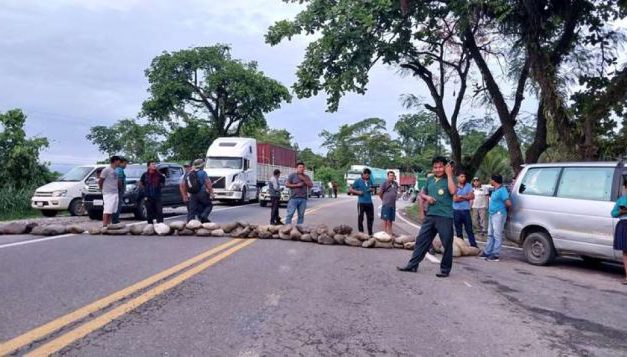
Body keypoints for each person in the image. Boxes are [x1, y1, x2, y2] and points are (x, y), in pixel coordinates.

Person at [397, 156, 456, 278]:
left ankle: (445, 270)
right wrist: (426, 199)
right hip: (430, 215)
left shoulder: (450, 179)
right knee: (421, 241)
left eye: (440, 167)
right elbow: (421, 194)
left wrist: (449, 175)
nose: (438, 169)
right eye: (435, 167)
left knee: (447, 244)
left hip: (445, 216)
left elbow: (453, 192)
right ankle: (412, 265)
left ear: (445, 167)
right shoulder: (429, 180)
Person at [481, 175, 512, 261]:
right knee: (490, 234)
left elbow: (508, 203)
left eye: (491, 179)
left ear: (494, 181)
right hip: (492, 214)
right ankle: (487, 252)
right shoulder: (495, 190)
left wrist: (502, 210)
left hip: (498, 214)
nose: (490, 181)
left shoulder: (502, 190)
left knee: (497, 234)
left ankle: (495, 254)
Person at [453, 171, 477, 247]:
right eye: (461, 177)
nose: (463, 178)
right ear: (457, 178)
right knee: (458, 230)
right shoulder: (454, 186)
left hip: (466, 210)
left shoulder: (468, 185)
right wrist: (466, 197)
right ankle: (461, 245)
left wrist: (461, 196)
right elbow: (455, 199)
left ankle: (473, 245)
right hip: (456, 211)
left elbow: (472, 197)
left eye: (464, 177)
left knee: (469, 229)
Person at [349, 168, 375, 236]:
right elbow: (350, 189)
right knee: (361, 218)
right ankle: (361, 233)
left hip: (369, 202)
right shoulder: (358, 181)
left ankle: (370, 233)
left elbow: (372, 188)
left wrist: (371, 189)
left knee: (370, 218)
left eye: (368, 175)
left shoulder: (370, 181)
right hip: (361, 203)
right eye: (366, 175)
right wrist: (358, 192)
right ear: (362, 174)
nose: (367, 176)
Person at [611, 179, 627, 284]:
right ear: (625, 188)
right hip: (624, 225)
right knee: (626, 252)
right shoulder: (621, 200)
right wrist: (621, 211)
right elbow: (613, 213)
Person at [99, 156, 121, 227]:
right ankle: (104, 224)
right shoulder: (106, 170)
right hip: (108, 192)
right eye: (118, 161)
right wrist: (102, 189)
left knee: (112, 209)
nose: (119, 163)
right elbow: (101, 181)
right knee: (107, 209)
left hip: (115, 192)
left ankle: (109, 224)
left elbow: (117, 181)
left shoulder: (115, 171)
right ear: (115, 161)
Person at [379, 171, 399, 236]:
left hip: (393, 204)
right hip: (386, 204)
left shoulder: (395, 184)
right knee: (385, 219)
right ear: (387, 176)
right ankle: (384, 233)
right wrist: (384, 199)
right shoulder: (385, 183)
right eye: (390, 176)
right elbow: (380, 193)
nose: (391, 177)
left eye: (393, 176)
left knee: (391, 219)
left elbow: (396, 192)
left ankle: (390, 232)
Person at [111, 157, 127, 225]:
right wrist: (120, 189)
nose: (126, 165)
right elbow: (119, 180)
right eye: (125, 164)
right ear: (121, 163)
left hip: (116, 190)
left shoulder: (116, 169)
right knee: (118, 205)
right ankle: (115, 220)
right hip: (118, 191)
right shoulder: (119, 170)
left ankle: (115, 219)